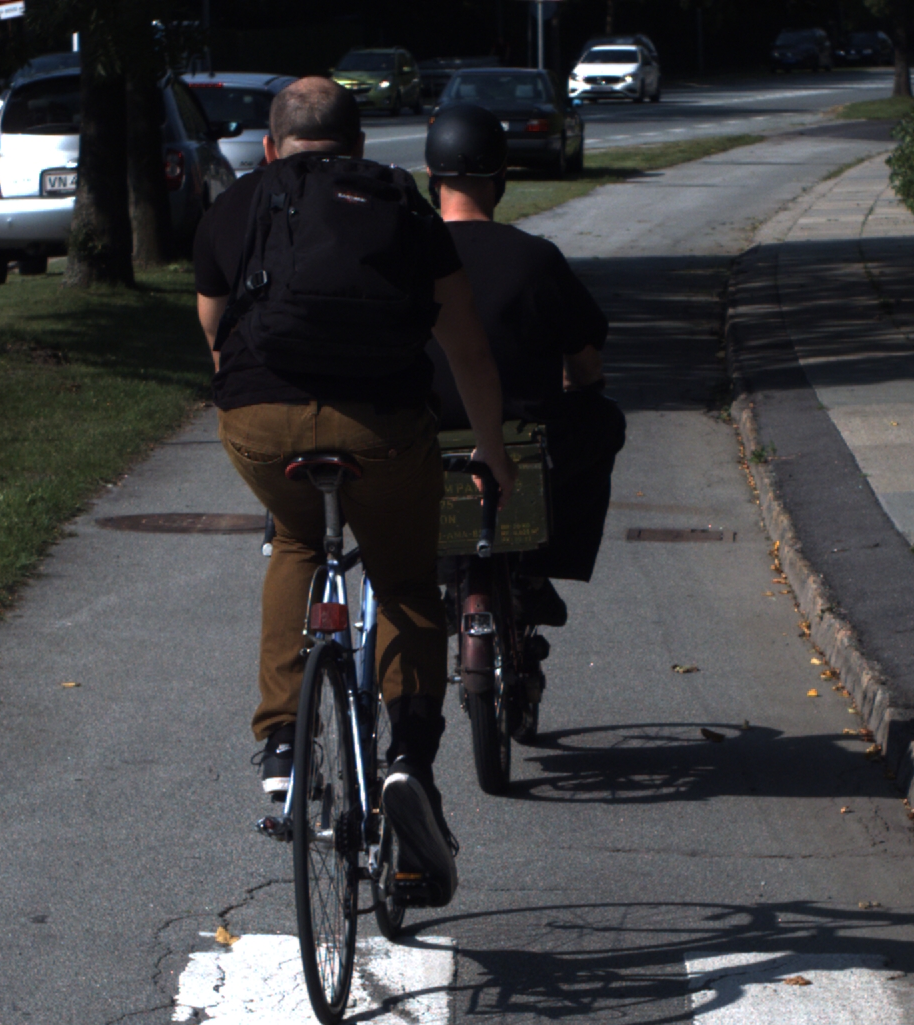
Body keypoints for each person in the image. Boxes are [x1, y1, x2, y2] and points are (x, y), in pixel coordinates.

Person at [194, 78, 516, 907]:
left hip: (262, 423)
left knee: (299, 539)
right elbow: (467, 347)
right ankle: (408, 758)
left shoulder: (235, 206)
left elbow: (214, 332)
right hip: (383, 429)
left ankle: (282, 748)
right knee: (404, 580)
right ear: (360, 146)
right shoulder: (401, 206)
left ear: (271, 147)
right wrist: (490, 448)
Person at [423, 104, 624, 630]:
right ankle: (537, 572)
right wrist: (582, 383)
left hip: (421, 440)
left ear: (432, 179)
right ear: (501, 177)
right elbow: (586, 362)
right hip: (518, 444)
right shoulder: (535, 258)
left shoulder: (403, 256)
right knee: (602, 421)